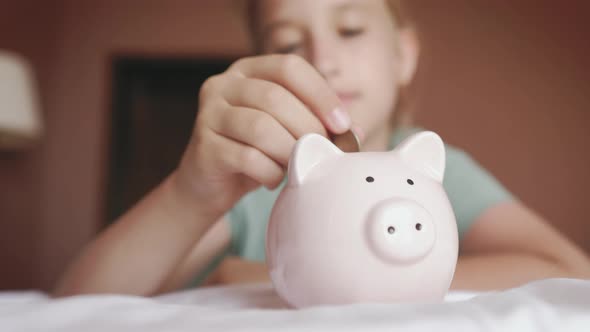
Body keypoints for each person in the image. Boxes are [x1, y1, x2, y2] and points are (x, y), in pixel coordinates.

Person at [54, 0, 590, 296]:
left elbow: (570, 268)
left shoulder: (435, 170)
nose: (323, 59)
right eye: (289, 42)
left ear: (404, 56)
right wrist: (190, 193)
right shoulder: (256, 179)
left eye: (351, 29)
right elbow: (75, 305)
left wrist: (277, 277)